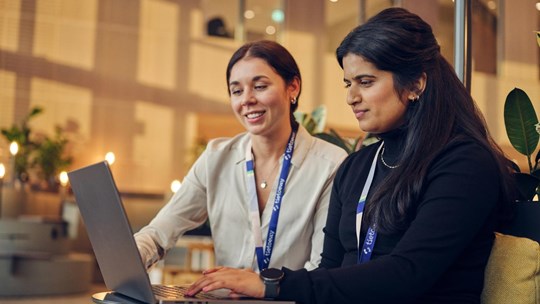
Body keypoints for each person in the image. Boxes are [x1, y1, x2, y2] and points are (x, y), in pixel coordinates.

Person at [186, 7, 516, 303]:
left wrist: (273, 285)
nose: (351, 97)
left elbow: (408, 275)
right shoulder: (357, 167)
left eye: (365, 81)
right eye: (347, 83)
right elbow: (331, 270)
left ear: (416, 84)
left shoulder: (464, 163)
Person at [135, 40, 347, 273]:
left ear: (293, 87)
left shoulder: (330, 164)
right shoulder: (216, 158)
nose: (246, 99)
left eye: (260, 86)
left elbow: (322, 269)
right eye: (237, 91)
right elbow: (159, 232)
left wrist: (263, 286)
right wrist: (133, 255)